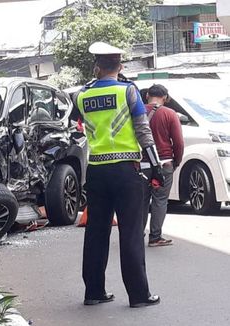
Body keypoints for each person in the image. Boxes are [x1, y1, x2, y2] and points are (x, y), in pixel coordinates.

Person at [72, 41, 164, 308]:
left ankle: (94, 292)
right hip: (127, 170)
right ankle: (138, 295)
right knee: (131, 232)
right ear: (121, 66)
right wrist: (156, 166)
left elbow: (77, 124)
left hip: (97, 171)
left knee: (96, 232)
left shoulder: (81, 95)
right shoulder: (129, 91)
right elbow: (142, 130)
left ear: (96, 67)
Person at [141, 84, 184, 247]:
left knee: (141, 201)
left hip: (141, 163)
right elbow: (178, 142)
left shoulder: (137, 112)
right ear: (165, 98)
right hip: (164, 163)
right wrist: (176, 161)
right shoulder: (170, 114)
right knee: (160, 200)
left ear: (147, 96)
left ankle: (137, 236)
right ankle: (155, 237)